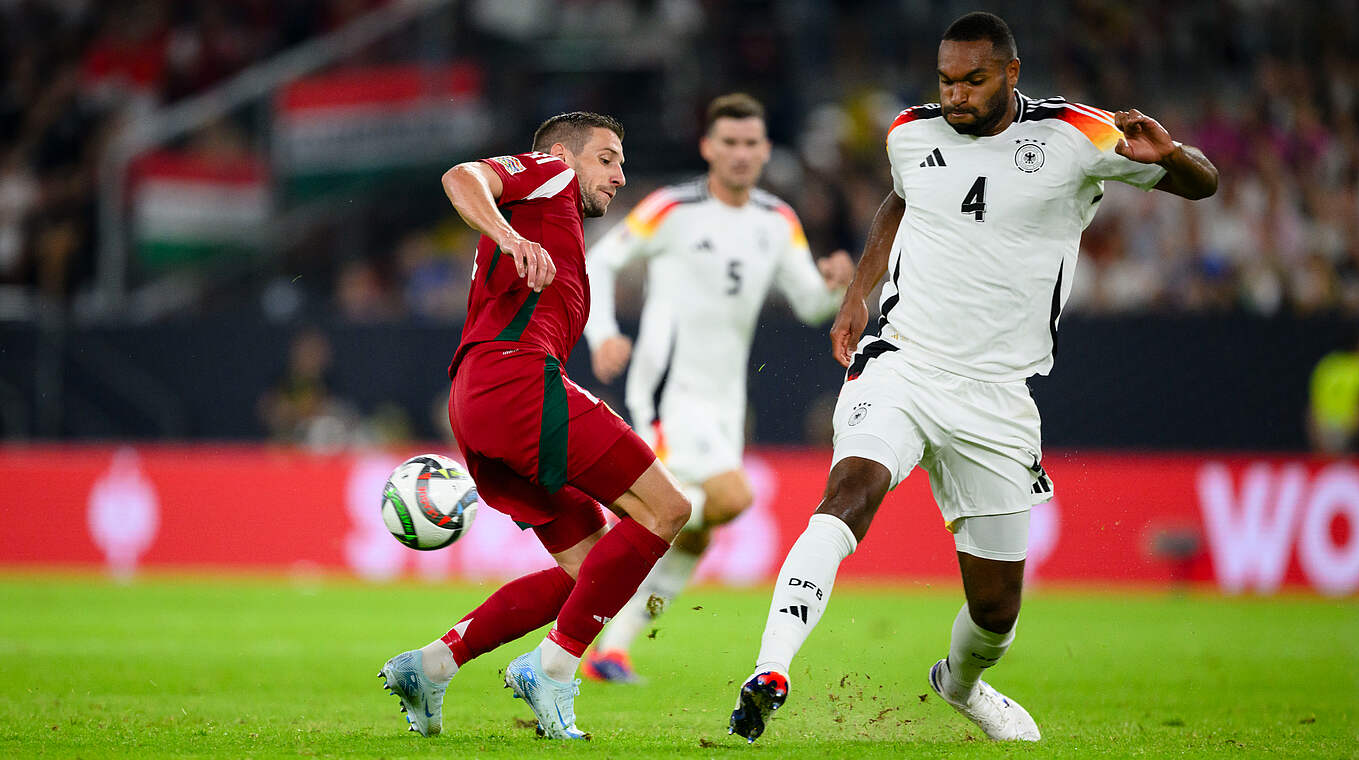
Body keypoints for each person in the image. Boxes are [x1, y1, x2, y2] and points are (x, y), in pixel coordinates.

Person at [728, 11, 1218, 744]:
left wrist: (1172, 155)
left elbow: (1203, 185)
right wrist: (859, 291)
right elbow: (901, 198)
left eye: (973, 81)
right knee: (850, 490)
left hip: (997, 396)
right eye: (946, 80)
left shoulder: (1078, 136)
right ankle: (771, 669)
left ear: (1012, 75)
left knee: (994, 614)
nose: (955, 95)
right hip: (904, 360)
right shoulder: (909, 132)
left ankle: (960, 683)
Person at [378, 112, 691, 741]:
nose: (619, 176)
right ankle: (553, 668)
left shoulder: (557, 225)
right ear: (562, 154)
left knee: (590, 570)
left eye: (622, 162)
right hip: (514, 382)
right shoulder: (546, 176)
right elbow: (461, 177)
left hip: (476, 402)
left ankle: (433, 665)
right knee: (665, 510)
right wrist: (507, 235)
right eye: (606, 159)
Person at [579, 93, 854, 683]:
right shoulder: (671, 208)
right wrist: (601, 333)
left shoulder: (776, 220)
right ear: (708, 147)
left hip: (726, 403)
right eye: (728, 142)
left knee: (696, 528)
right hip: (669, 392)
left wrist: (834, 286)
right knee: (727, 501)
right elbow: (600, 261)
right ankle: (596, 583)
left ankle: (612, 645)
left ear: (765, 150)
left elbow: (810, 303)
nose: (739, 153)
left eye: (750, 143)